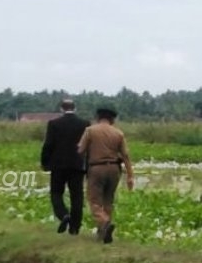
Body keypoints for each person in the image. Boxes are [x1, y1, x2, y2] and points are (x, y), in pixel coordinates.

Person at [77, 106, 134, 244]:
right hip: (114, 169)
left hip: (96, 168)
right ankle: (102, 234)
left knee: (94, 201)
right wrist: (130, 176)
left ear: (98, 117)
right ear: (112, 119)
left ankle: (105, 223)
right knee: (108, 201)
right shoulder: (118, 133)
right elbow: (125, 155)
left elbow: (80, 150)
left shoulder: (90, 131)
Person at [40, 99, 90, 235]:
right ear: (75, 108)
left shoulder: (54, 124)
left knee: (56, 193)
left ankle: (63, 215)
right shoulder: (85, 124)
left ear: (61, 109)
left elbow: (48, 145)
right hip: (77, 165)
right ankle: (75, 227)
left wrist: (45, 163)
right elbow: (88, 147)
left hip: (58, 165)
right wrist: (88, 165)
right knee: (77, 196)